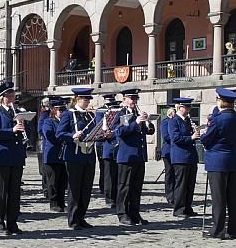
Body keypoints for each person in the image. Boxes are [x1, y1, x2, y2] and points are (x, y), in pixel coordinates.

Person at [57, 88, 107, 230]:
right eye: (85, 100)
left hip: (88, 155)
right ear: (78, 99)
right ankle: (73, 219)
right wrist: (72, 135)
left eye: (88, 100)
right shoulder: (68, 114)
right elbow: (59, 133)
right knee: (75, 188)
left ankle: (82, 217)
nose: (87, 102)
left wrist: (102, 134)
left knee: (86, 189)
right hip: (74, 155)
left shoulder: (90, 116)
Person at [201, 88, 236, 239]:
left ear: (220, 101)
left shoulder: (216, 120)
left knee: (219, 197)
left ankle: (218, 230)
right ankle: (234, 229)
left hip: (217, 161)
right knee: (234, 197)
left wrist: (203, 137)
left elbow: (207, 139)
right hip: (233, 159)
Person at [0, 81, 26, 235]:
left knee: (14, 192)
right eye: (8, 96)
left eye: (13, 96)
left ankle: (13, 223)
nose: (11, 99)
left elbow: (23, 131)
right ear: (1, 98)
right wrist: (12, 129)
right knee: (0, 192)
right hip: (1, 156)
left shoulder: (17, 112)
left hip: (16, 156)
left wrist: (22, 124)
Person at [112, 88, 155, 225]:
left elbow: (149, 131)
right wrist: (135, 123)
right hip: (127, 155)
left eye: (136, 99)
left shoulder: (137, 113)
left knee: (136, 186)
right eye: (132, 98)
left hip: (139, 155)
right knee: (124, 186)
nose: (134, 101)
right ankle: (122, 213)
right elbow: (119, 132)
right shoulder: (121, 114)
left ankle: (134, 212)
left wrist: (147, 122)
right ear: (124, 99)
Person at [168, 98, 200, 218]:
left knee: (190, 184)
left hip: (191, 156)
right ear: (179, 108)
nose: (188, 111)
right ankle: (179, 209)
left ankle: (188, 207)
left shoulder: (188, 121)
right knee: (181, 184)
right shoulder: (174, 121)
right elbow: (175, 138)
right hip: (180, 157)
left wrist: (195, 132)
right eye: (186, 108)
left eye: (189, 108)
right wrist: (191, 138)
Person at [42, 99, 68, 213]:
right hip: (52, 155)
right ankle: (54, 202)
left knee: (63, 181)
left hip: (64, 155)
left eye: (64, 110)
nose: (62, 113)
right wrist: (64, 139)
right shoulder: (49, 121)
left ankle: (62, 202)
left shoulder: (66, 122)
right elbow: (50, 136)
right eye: (60, 110)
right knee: (53, 180)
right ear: (54, 111)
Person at [160, 105, 176, 204]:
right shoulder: (165, 122)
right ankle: (170, 195)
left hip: (177, 151)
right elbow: (166, 136)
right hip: (168, 151)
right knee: (169, 173)